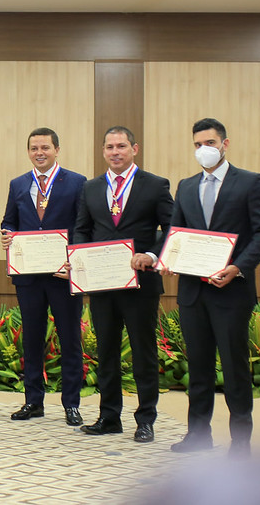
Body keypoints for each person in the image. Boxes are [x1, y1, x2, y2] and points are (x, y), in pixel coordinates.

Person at [166, 118, 260, 458]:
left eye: (209, 143)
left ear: (225, 144)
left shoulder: (251, 182)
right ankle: (198, 434)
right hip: (193, 293)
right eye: (197, 145)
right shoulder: (185, 185)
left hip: (232, 290)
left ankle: (240, 441)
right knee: (198, 367)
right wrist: (169, 257)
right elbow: (176, 232)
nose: (203, 150)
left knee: (235, 367)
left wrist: (239, 267)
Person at [73, 126, 173, 443]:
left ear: (134, 149)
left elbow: (172, 229)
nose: (115, 152)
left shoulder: (155, 185)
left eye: (121, 146)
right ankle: (109, 416)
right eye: (110, 147)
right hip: (102, 284)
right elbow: (81, 230)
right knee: (106, 351)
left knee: (144, 352)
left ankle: (146, 419)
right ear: (103, 151)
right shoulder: (90, 188)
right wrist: (78, 260)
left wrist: (151, 254)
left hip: (141, 283)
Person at [0, 128, 87, 426]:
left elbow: (82, 224)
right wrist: (7, 235)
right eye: (34, 148)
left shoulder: (76, 182)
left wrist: (72, 258)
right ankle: (33, 401)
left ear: (57, 150)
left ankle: (71, 404)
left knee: (70, 339)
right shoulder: (19, 184)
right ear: (28, 152)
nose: (40, 152)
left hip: (64, 275)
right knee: (32, 339)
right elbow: (9, 220)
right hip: (29, 277)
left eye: (45, 147)